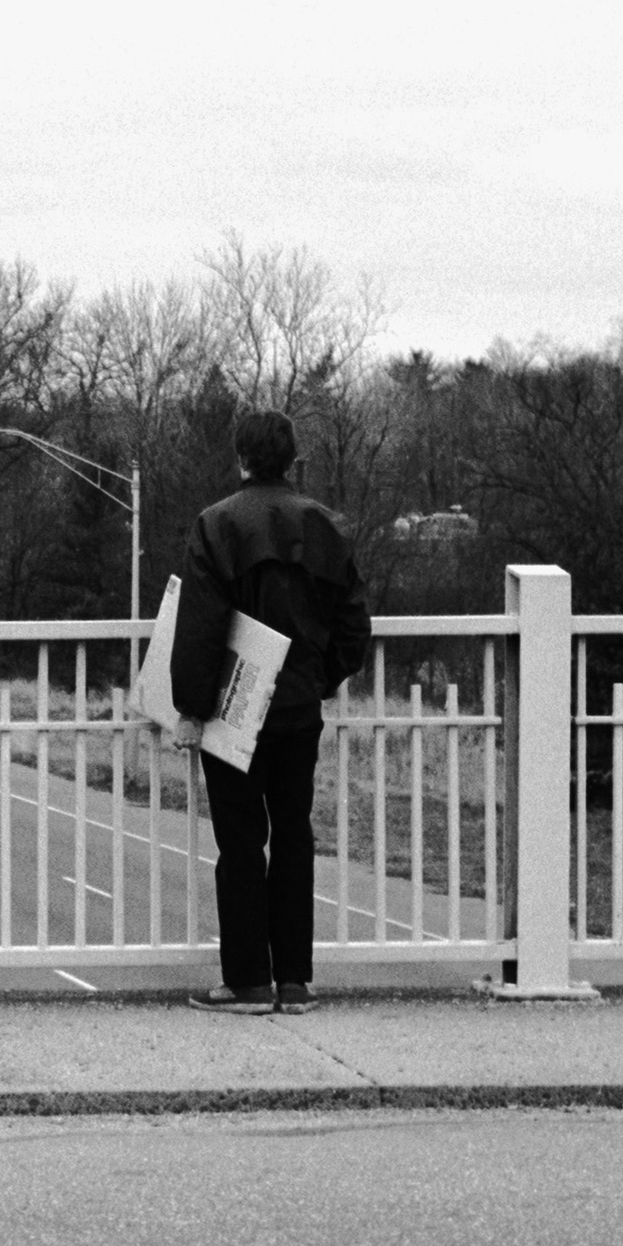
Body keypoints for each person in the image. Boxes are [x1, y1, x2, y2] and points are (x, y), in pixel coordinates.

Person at [168, 409, 372, 1016]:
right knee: (293, 836)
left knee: (239, 843)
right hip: (298, 706)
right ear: (292, 459)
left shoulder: (217, 524)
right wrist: (319, 676)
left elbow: (201, 625)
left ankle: (248, 982)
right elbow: (354, 624)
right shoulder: (326, 527)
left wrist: (190, 708)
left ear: (241, 459)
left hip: (235, 709)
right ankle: (295, 982)